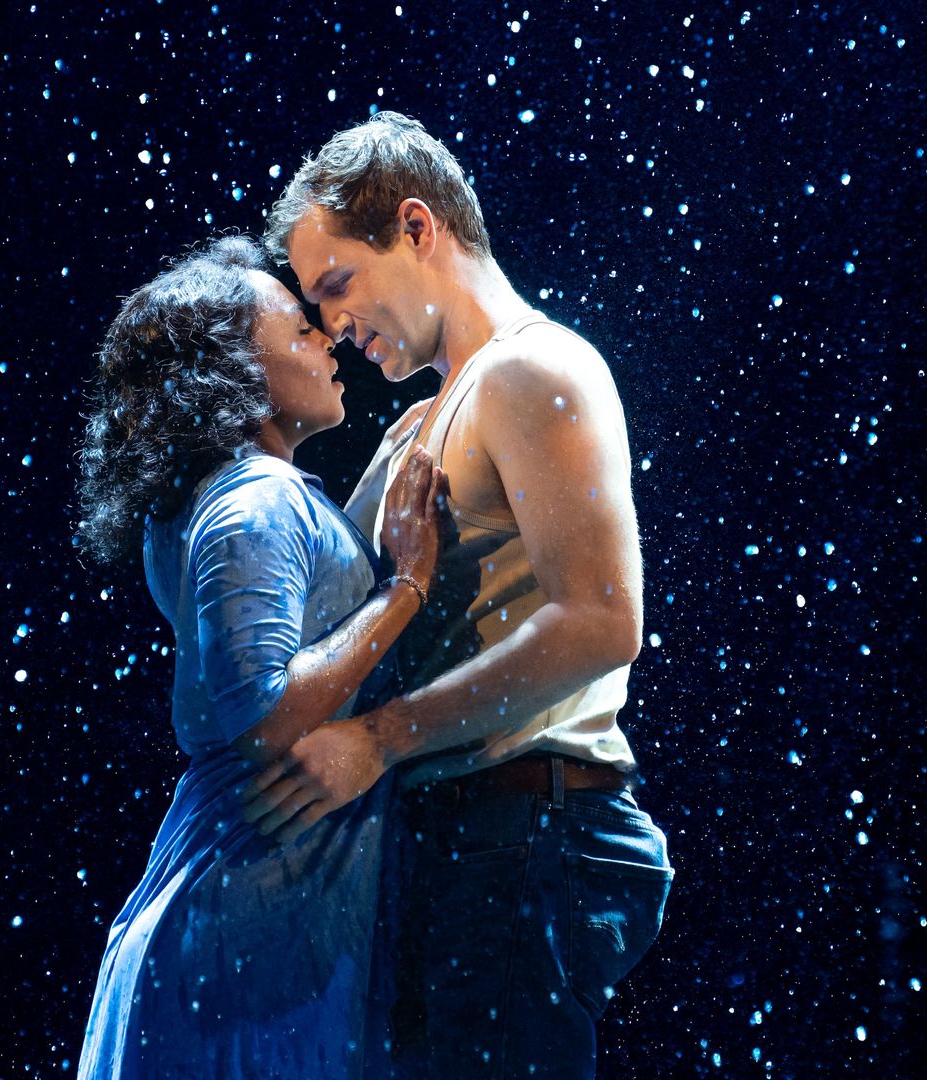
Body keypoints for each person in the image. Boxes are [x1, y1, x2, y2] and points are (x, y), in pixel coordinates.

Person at [242, 113, 674, 1077]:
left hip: (523, 833)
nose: (335, 327)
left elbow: (605, 621)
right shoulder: (413, 427)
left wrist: (380, 737)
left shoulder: (536, 368)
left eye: (337, 285)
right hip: (451, 843)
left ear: (417, 227)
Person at [73, 235, 447, 1079]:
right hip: (248, 933)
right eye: (297, 328)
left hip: (234, 917)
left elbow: (299, 607)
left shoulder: (221, 498)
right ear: (234, 369)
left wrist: (372, 490)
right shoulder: (256, 502)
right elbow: (264, 716)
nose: (324, 337)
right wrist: (409, 586)